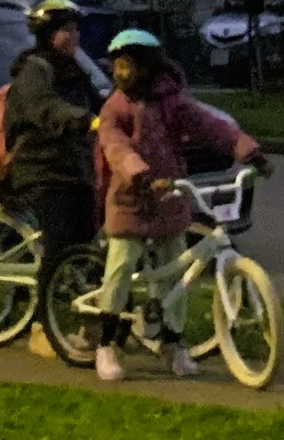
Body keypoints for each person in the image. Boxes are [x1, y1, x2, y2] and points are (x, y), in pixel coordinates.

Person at [86, 28, 259, 383]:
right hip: (129, 199)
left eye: (128, 64)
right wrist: (137, 172)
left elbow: (209, 127)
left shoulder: (172, 101)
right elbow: (114, 145)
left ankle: (172, 342)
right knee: (120, 269)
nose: (121, 74)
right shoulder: (115, 107)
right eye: (117, 65)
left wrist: (245, 148)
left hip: (169, 197)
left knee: (175, 274)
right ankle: (105, 343)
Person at [2, 0, 103, 293]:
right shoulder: (34, 70)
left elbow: (100, 105)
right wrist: (85, 120)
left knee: (86, 243)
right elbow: (46, 108)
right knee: (58, 245)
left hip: (75, 169)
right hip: (42, 170)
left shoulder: (74, 69)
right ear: (48, 34)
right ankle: (42, 324)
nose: (74, 37)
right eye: (66, 31)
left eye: (75, 30)